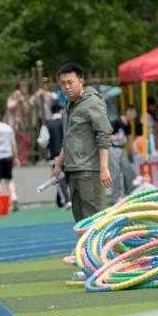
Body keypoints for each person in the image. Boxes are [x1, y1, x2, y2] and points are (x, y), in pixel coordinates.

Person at [51, 63, 112, 224]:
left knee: (97, 220)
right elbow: (70, 138)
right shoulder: (69, 106)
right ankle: (87, 249)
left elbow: (104, 134)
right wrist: (59, 162)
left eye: (70, 82)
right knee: (81, 221)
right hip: (73, 170)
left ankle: (105, 249)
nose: (66, 87)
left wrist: (104, 168)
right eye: (63, 84)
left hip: (89, 171)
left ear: (81, 81)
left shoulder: (92, 103)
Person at [41, 101, 71, 207]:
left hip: (54, 155)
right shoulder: (66, 121)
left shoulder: (47, 124)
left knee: (58, 177)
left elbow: (43, 141)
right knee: (70, 176)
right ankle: (68, 199)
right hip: (69, 153)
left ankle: (66, 200)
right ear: (61, 110)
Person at [5, 81, 30, 165]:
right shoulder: (11, 98)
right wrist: (16, 100)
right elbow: (9, 107)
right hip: (13, 123)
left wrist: (22, 102)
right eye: (17, 94)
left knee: (23, 140)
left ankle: (22, 158)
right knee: (13, 141)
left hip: (21, 123)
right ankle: (14, 159)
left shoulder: (23, 99)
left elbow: (27, 110)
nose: (19, 95)